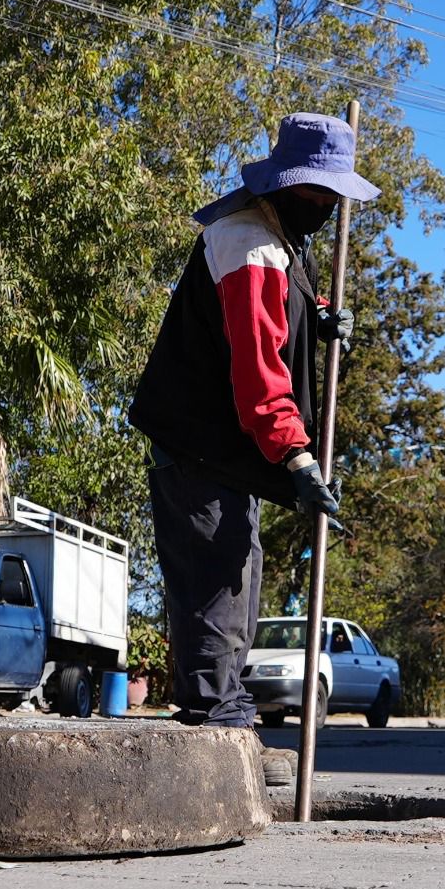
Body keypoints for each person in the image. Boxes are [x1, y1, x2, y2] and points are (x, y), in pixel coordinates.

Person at [128, 113, 379, 774]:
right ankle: (218, 735)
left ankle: (226, 722)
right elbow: (257, 366)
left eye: (334, 198)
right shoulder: (247, 242)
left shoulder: (276, 236)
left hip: (223, 450)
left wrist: (318, 315)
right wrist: (294, 453)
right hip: (200, 443)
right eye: (318, 194)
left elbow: (283, 317)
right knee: (216, 579)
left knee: (240, 573)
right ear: (288, 184)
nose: (326, 206)